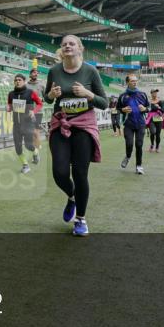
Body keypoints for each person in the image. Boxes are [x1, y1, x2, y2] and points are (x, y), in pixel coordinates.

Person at [45, 35, 107, 236]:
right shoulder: (54, 71)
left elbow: (104, 103)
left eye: (71, 43)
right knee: (59, 172)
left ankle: (81, 219)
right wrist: (52, 96)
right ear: (61, 50)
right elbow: (47, 98)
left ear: (80, 48)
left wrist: (87, 94)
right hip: (61, 123)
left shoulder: (90, 71)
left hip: (83, 126)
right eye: (64, 44)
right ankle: (72, 196)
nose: (67, 46)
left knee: (80, 173)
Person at [7, 73, 42, 173]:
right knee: (18, 147)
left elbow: (39, 104)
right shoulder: (11, 94)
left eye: (19, 80)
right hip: (16, 125)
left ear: (24, 81)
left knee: (28, 146)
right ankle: (25, 165)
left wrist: (33, 111)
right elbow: (9, 105)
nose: (17, 81)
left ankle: (35, 153)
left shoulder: (30, 92)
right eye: (16, 80)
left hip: (27, 124)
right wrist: (8, 108)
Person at [118, 75, 149, 175]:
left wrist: (145, 109)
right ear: (127, 82)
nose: (135, 82)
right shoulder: (122, 96)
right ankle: (127, 156)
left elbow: (149, 107)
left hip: (140, 124)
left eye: (136, 81)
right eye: (132, 81)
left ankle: (139, 166)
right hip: (128, 124)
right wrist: (122, 110)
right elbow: (118, 108)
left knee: (139, 145)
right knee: (129, 144)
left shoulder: (143, 94)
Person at [26, 67, 44, 164]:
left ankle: (36, 155)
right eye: (33, 72)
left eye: (36, 73)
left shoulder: (41, 85)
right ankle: (36, 152)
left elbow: (46, 97)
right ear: (30, 75)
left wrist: (43, 99)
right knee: (31, 133)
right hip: (28, 112)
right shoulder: (26, 85)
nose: (35, 74)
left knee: (36, 132)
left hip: (38, 111)